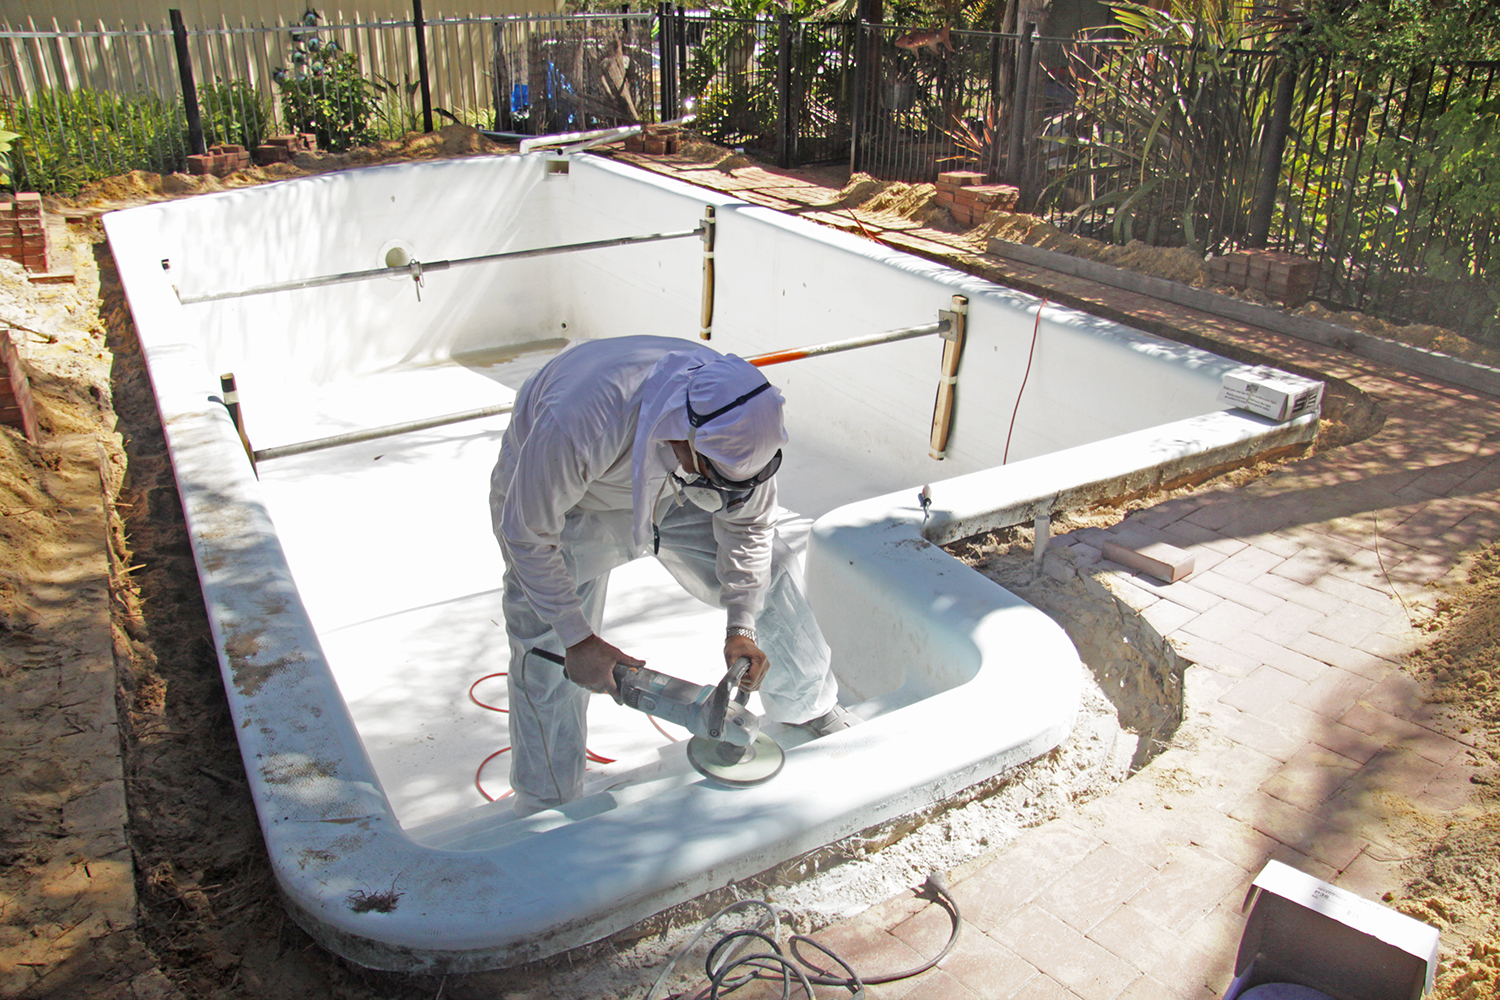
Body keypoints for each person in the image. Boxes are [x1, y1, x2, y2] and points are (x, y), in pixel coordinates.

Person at [489, 334, 856, 815]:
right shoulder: (580, 420)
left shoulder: (744, 422)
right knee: (546, 645)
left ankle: (809, 710)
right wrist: (579, 639)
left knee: (776, 568)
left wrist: (741, 625)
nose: (736, 491)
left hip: (678, 490)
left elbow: (749, 527)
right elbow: (528, 535)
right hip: (575, 503)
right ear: (684, 436)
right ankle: (546, 799)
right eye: (725, 480)